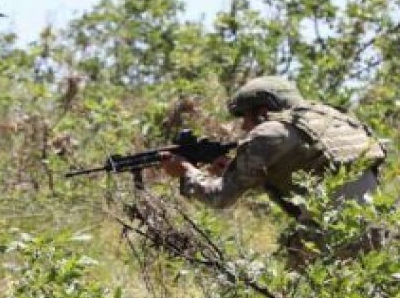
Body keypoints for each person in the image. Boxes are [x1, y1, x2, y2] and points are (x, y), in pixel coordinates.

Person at [160, 76, 386, 262]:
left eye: (245, 118)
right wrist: (231, 170)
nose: (243, 127)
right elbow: (306, 174)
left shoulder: (269, 131)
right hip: (374, 231)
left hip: (327, 235)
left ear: (262, 111)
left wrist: (186, 171)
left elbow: (220, 198)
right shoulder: (334, 119)